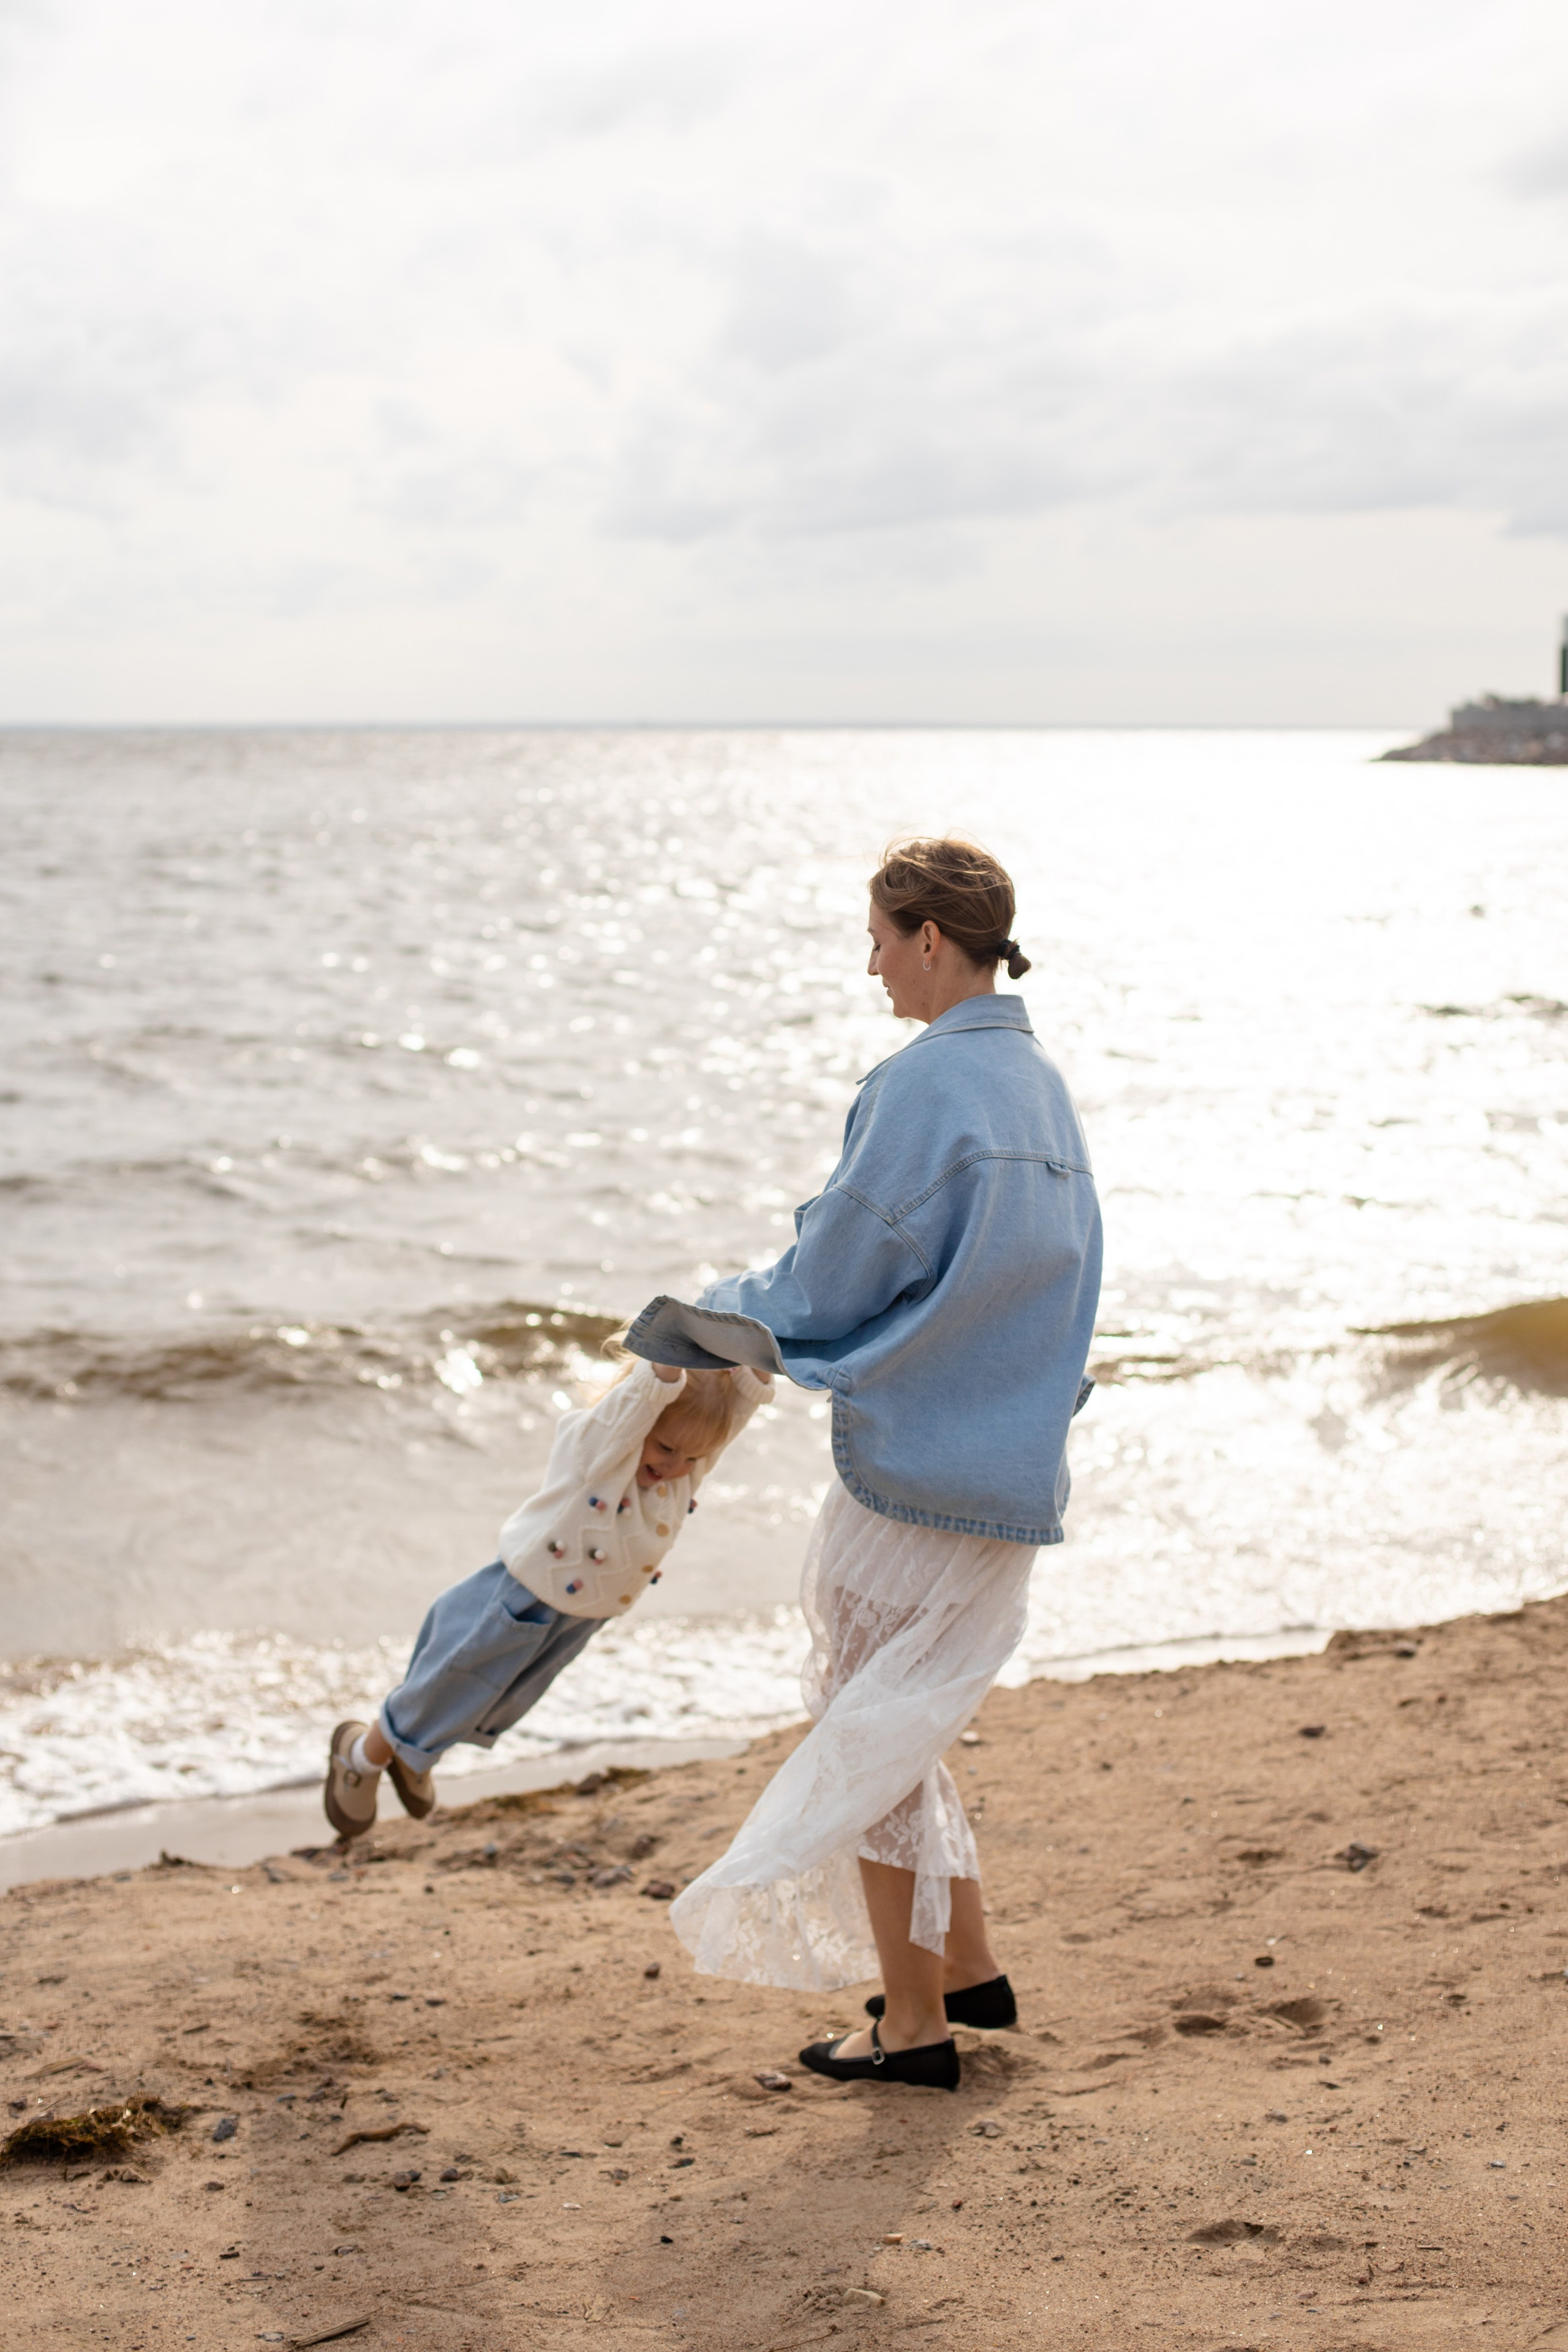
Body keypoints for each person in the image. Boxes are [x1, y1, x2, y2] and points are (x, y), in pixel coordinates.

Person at [623, 837, 1102, 2092]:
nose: (872, 964)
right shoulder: (1040, 1085)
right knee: (897, 1710)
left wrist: (702, 1315)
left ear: (930, 939)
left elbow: (833, 1273)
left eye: (881, 940)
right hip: (1010, 1468)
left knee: (869, 1721)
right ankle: (966, 1965)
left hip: (921, 1472)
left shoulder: (923, 1083)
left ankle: (914, 2026)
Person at [322, 1354, 771, 1839]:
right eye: (665, 1447)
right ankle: (360, 1758)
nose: (675, 1466)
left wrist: (757, 1366)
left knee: (494, 1702)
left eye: (692, 1458)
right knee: (448, 1685)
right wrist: (664, 1362)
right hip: (521, 1598)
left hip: (581, 1615)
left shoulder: (682, 1473)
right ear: (641, 1417)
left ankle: (414, 1757)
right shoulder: (599, 1452)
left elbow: (734, 1417)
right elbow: (635, 1406)